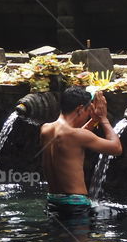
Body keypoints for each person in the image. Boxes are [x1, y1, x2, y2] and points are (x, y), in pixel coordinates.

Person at [40, 86, 121, 218]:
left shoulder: (46, 129)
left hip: (53, 202)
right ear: (79, 109)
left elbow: (73, 139)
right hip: (75, 205)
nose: (87, 115)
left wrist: (93, 120)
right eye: (87, 111)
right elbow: (116, 148)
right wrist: (103, 119)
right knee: (120, 216)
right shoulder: (76, 135)